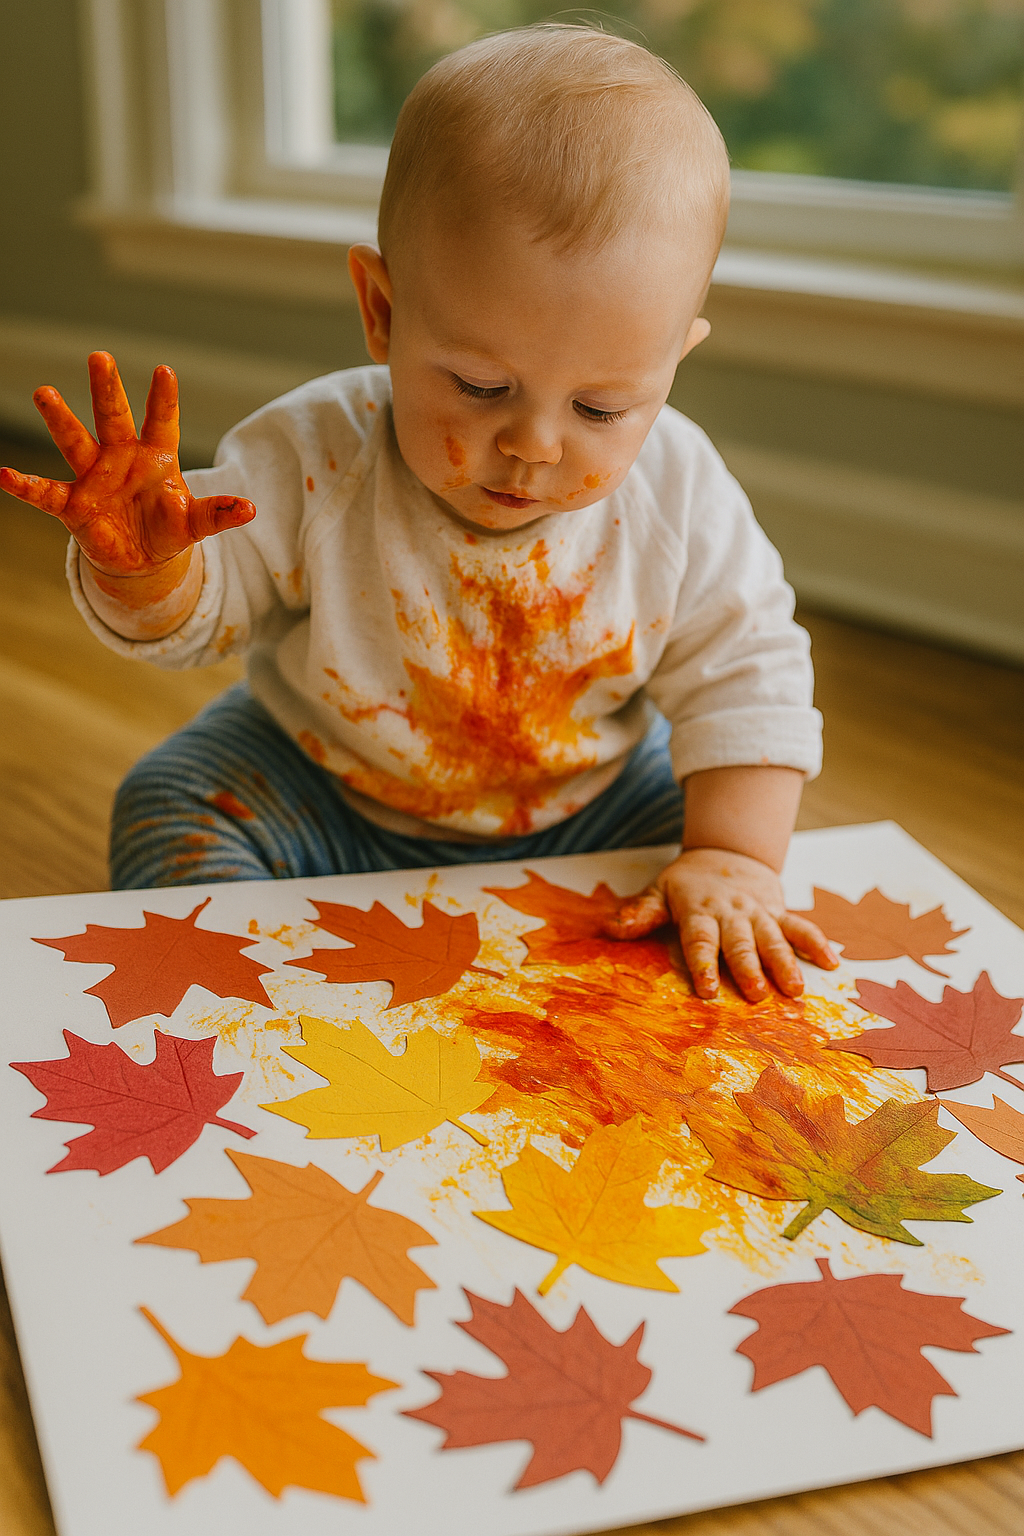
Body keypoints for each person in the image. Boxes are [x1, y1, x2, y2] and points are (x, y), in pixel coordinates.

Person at [0, 24, 836, 1005]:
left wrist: (733, 856)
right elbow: (209, 614)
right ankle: (267, 992)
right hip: (325, 781)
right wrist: (149, 571)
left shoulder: (680, 492)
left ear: (673, 361)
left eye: (603, 408)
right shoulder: (314, 453)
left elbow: (747, 668)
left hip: (587, 800)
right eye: (481, 386)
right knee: (169, 802)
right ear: (383, 312)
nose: (535, 443)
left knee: (701, 847)